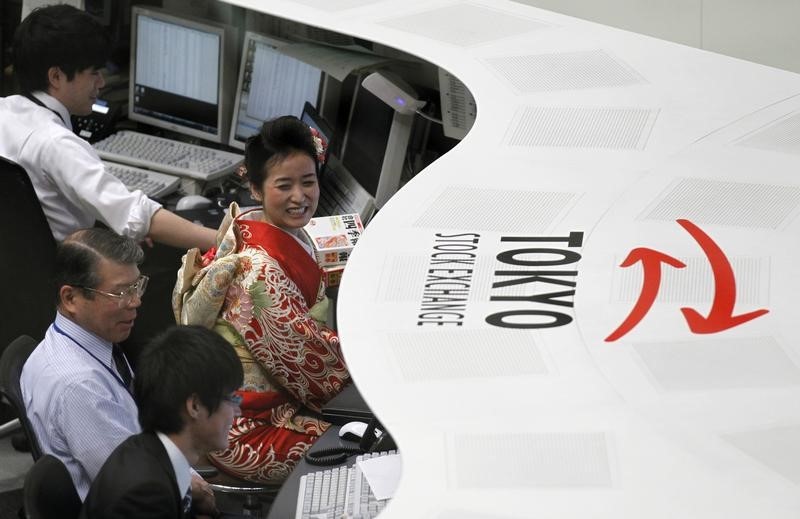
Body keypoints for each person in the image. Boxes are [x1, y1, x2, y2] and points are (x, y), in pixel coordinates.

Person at [174, 116, 350, 483]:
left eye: (308, 182)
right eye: (284, 186)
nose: (300, 197)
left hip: (251, 402)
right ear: (255, 188)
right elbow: (314, 368)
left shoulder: (250, 227)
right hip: (241, 429)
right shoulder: (259, 273)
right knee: (360, 447)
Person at [20, 228, 215, 515]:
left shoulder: (84, 340)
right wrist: (196, 487)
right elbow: (140, 484)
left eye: (137, 286)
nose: (135, 301)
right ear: (71, 298)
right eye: (121, 292)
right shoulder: (79, 386)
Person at [0, 4, 216, 250]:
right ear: (56, 77)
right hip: (72, 274)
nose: (101, 82)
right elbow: (136, 217)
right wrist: (229, 242)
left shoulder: (4, 111)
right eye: (93, 73)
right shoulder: (56, 144)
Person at [80, 325, 243, 519]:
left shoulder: (148, 449)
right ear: (195, 407)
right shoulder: (145, 495)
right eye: (232, 399)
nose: (237, 411)